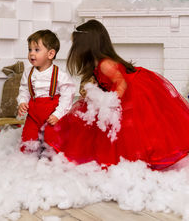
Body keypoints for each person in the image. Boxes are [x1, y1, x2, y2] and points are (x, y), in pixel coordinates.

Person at [46, 20, 189, 170]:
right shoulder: (97, 63)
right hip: (118, 95)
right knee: (85, 120)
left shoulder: (105, 64)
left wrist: (111, 103)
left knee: (126, 134)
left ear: (87, 45)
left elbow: (121, 83)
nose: (74, 48)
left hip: (131, 96)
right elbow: (104, 82)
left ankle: (121, 161)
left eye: (76, 44)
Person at [17, 29, 75, 154]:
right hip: (33, 115)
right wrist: (22, 102)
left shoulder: (60, 75)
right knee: (28, 140)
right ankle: (28, 158)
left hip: (51, 114)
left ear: (50, 54)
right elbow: (24, 89)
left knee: (53, 141)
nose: (32, 54)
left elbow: (67, 96)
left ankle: (49, 158)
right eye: (30, 49)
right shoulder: (28, 72)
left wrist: (58, 114)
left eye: (36, 50)